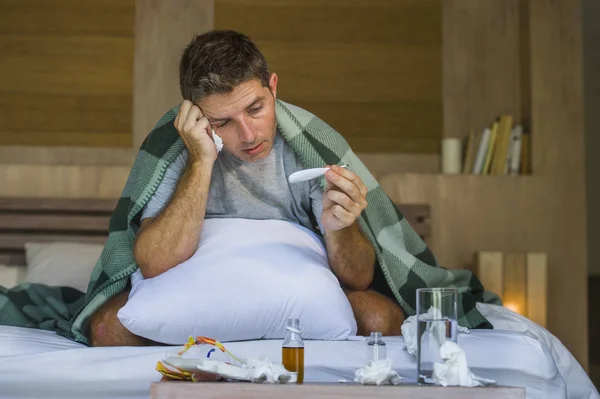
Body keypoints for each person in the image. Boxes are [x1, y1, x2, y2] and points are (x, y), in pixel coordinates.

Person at [89, 29, 405, 347]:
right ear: (194, 116)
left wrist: (341, 227)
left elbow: (359, 276)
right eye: (223, 122)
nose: (249, 135)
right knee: (107, 330)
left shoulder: (308, 146)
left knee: (381, 320)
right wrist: (200, 162)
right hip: (195, 281)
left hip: (294, 281)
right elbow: (155, 262)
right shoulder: (178, 147)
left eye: (255, 109)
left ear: (273, 88)